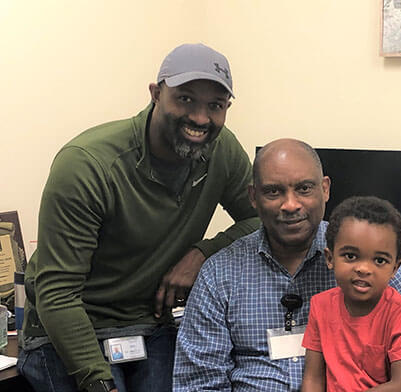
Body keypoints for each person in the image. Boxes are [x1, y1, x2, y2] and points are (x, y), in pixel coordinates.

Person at [17, 43, 259, 392]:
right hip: (71, 328)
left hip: (150, 325)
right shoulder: (87, 165)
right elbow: (58, 294)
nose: (201, 118)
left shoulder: (221, 152)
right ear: (156, 94)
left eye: (215, 106)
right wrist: (100, 383)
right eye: (186, 99)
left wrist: (203, 253)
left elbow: (261, 220)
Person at [173, 138, 401, 392]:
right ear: (253, 197)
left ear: (325, 189)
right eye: (273, 191)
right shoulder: (219, 274)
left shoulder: (367, 260)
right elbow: (198, 381)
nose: (290, 205)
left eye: (304, 188)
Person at [301, 196, 401, 392]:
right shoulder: (320, 306)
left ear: (395, 268)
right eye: (351, 256)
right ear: (330, 258)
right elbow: (312, 379)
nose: (363, 269)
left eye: (379, 260)